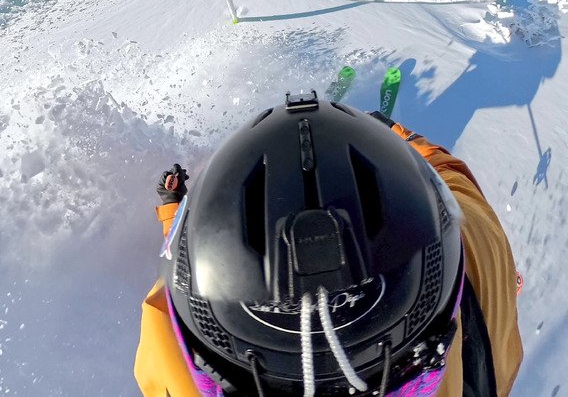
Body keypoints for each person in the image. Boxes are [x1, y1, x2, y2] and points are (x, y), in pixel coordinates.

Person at [134, 92, 522, 397]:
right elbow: (452, 183)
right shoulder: (477, 251)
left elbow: (184, 288)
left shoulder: (174, 362)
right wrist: (401, 143)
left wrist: (181, 217)